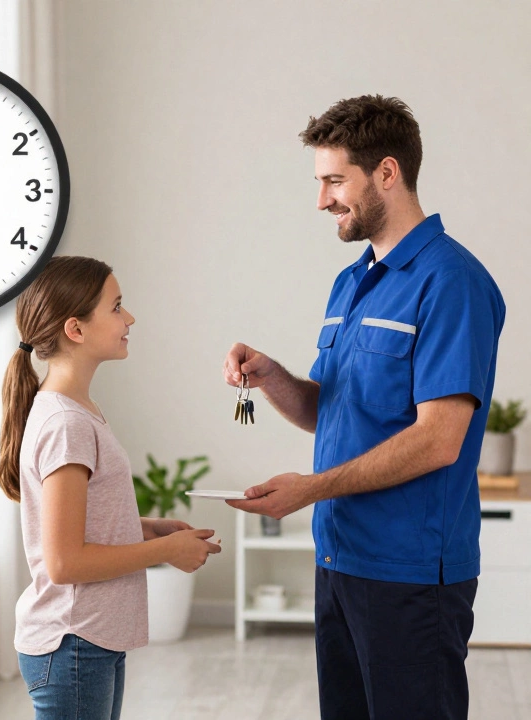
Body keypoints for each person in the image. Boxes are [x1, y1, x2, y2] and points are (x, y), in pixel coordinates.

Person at [223, 95, 505, 719]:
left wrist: (312, 488)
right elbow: (328, 410)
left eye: (333, 180)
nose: (321, 200)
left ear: (386, 173)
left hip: (409, 575)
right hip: (340, 559)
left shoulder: (451, 282)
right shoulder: (352, 281)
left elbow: (440, 440)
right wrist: (272, 378)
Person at [0, 255, 222, 720]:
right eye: (117, 307)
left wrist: (146, 528)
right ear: (75, 329)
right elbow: (65, 562)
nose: (130, 318)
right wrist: (166, 552)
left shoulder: (75, 410)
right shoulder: (66, 423)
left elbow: (76, 525)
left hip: (86, 640)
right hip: (73, 643)